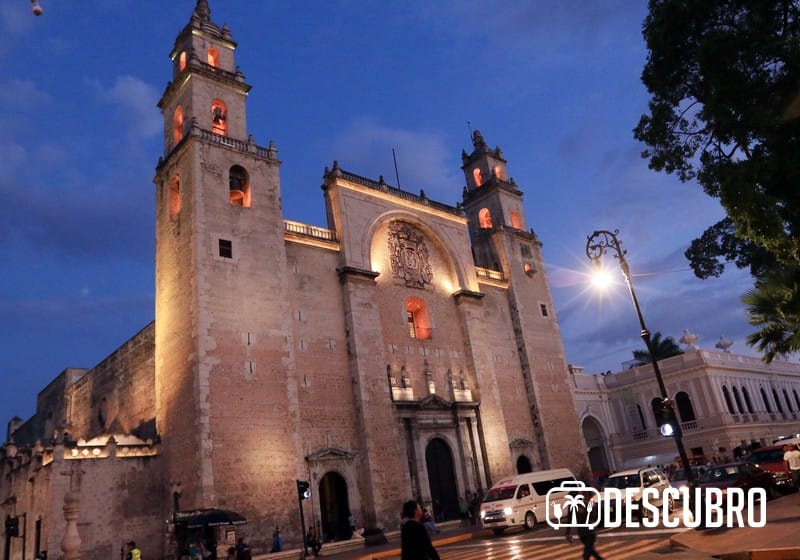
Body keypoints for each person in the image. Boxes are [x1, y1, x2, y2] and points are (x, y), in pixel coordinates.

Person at [564, 493, 604, 560]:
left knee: (587, 554)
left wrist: (567, 533)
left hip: (586, 533)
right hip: (586, 533)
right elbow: (593, 515)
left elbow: (570, 520)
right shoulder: (582, 505)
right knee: (590, 551)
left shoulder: (574, 507)